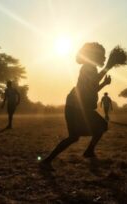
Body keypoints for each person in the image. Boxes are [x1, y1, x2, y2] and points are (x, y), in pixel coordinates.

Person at [40, 42, 113, 171]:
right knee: (84, 133)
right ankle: (47, 161)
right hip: (75, 107)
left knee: (96, 128)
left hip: (77, 107)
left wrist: (104, 84)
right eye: (102, 55)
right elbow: (94, 82)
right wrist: (108, 67)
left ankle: (88, 151)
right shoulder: (87, 67)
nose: (104, 57)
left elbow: (93, 88)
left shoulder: (91, 68)